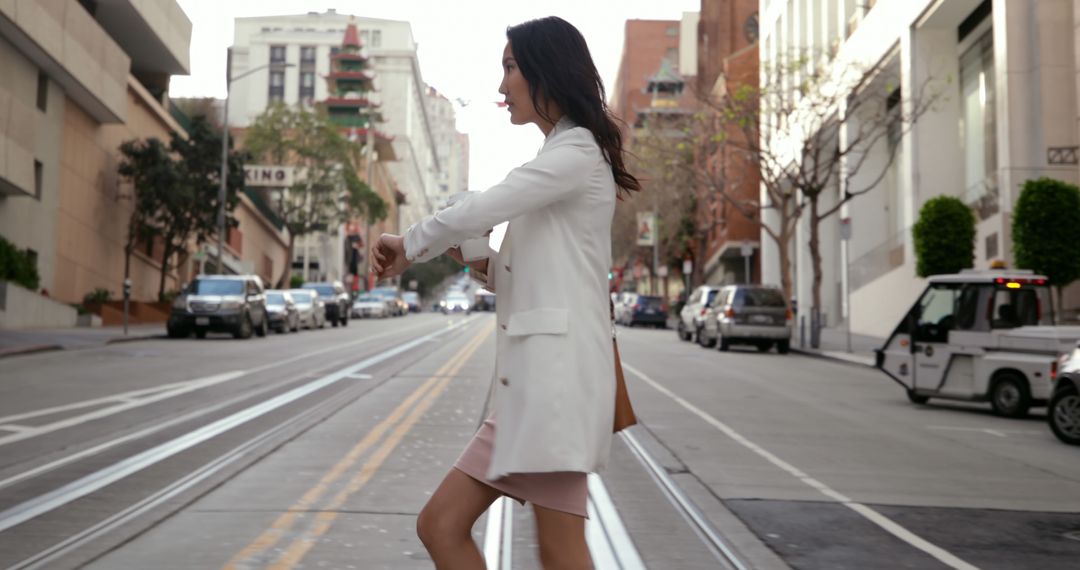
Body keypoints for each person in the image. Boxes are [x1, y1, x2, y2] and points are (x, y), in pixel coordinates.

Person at [370, 16, 640, 569]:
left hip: (554, 392)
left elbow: (488, 204)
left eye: (510, 68)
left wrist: (412, 242)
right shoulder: (561, 157)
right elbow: (523, 274)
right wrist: (471, 253)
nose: (501, 86)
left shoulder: (577, 153)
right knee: (444, 527)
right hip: (535, 393)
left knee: (544, 547)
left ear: (547, 71)